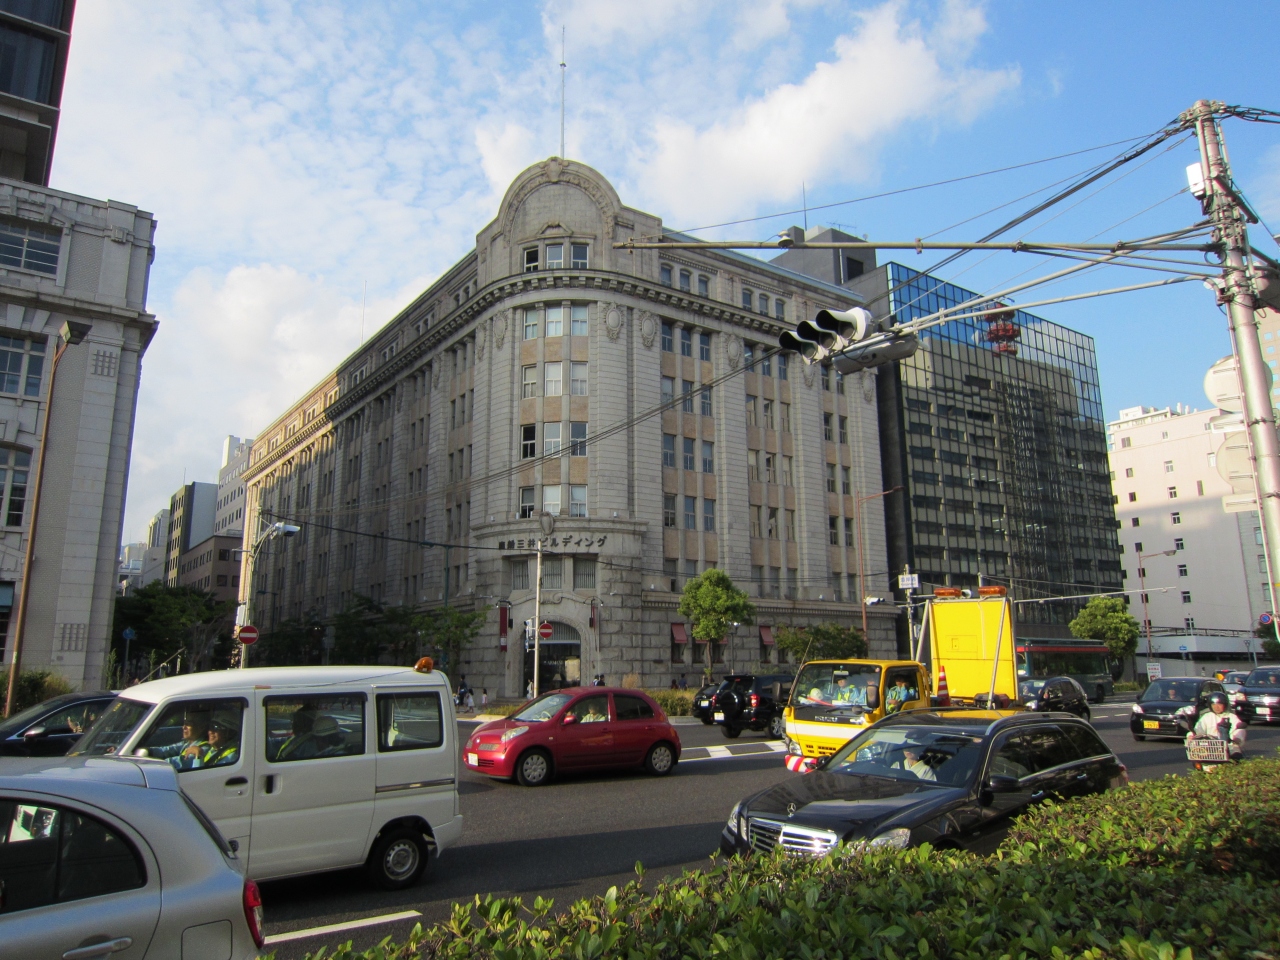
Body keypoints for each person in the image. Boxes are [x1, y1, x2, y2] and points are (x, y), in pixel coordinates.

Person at [1187, 691, 1245, 760]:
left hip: (1229, 747)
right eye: (1213, 704)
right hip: (1209, 747)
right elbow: (1198, 729)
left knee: (1237, 757)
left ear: (1225, 704)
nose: (1216, 707)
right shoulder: (1207, 717)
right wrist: (1191, 735)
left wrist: (1237, 738)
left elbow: (1239, 730)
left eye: (1219, 704)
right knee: (1196, 759)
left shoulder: (1232, 717)